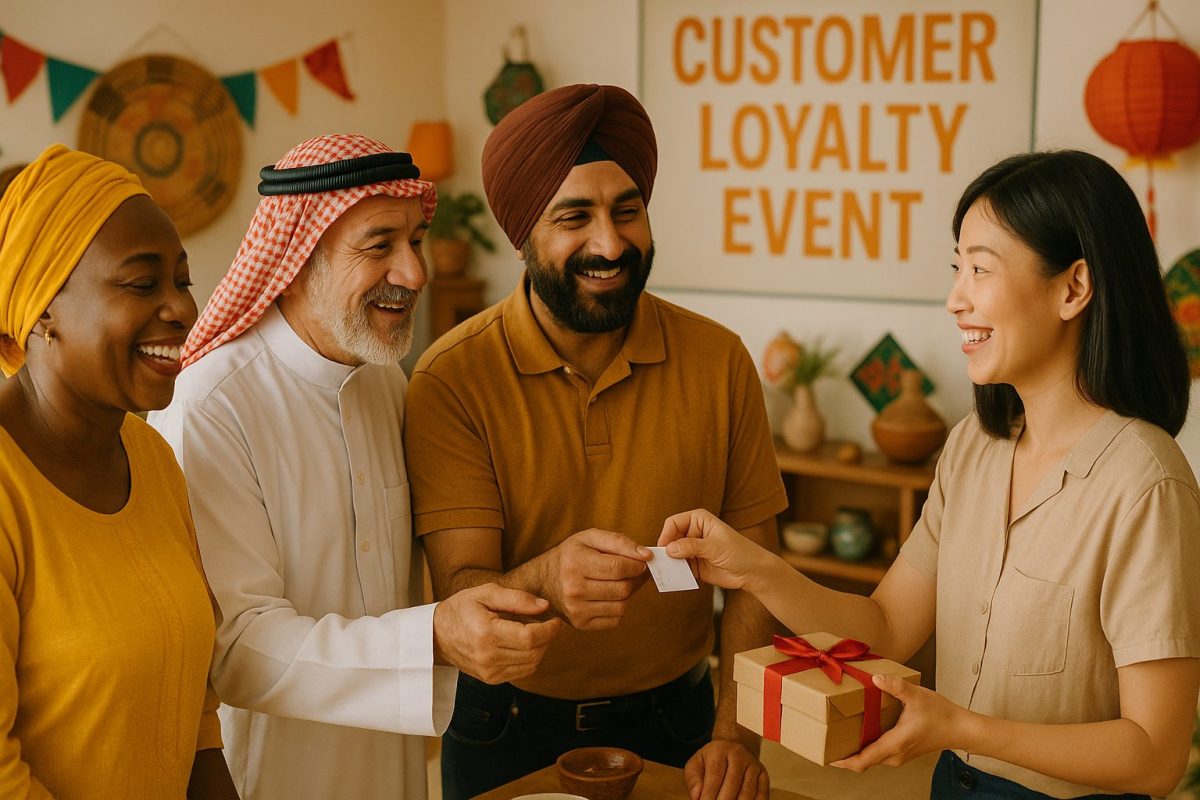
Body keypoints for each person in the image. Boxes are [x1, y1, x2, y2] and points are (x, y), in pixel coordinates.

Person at [659, 150, 1200, 799]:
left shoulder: (1145, 481)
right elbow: (886, 625)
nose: (954, 299)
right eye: (956, 268)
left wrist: (960, 727)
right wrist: (753, 567)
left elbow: (1155, 755)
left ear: (1073, 288)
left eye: (979, 268)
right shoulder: (973, 446)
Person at [404, 84, 787, 800]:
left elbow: (758, 573)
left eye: (627, 211)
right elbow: (460, 591)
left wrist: (736, 735)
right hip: (504, 726)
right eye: (574, 217)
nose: (610, 244)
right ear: (523, 237)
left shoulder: (721, 361)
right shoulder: (452, 379)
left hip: (681, 719)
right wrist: (545, 579)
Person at [150, 134, 560, 800]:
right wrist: (433, 634)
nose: (414, 273)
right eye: (379, 246)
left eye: (417, 241)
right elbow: (236, 648)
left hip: (391, 766)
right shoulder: (212, 403)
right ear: (298, 257)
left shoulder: (383, 380)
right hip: (276, 774)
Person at [0, 145, 237, 797]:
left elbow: (193, 716)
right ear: (43, 309)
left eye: (182, 281)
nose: (183, 309)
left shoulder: (153, 458)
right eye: (141, 283)